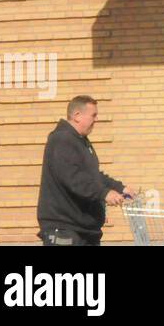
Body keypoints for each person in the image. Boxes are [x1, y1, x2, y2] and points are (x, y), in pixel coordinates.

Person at [37, 95, 134, 245]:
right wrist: (104, 193)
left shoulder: (80, 141)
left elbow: (93, 175)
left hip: (83, 229)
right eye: (93, 115)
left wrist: (119, 187)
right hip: (65, 228)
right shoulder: (62, 139)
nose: (96, 119)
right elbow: (73, 178)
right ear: (77, 116)